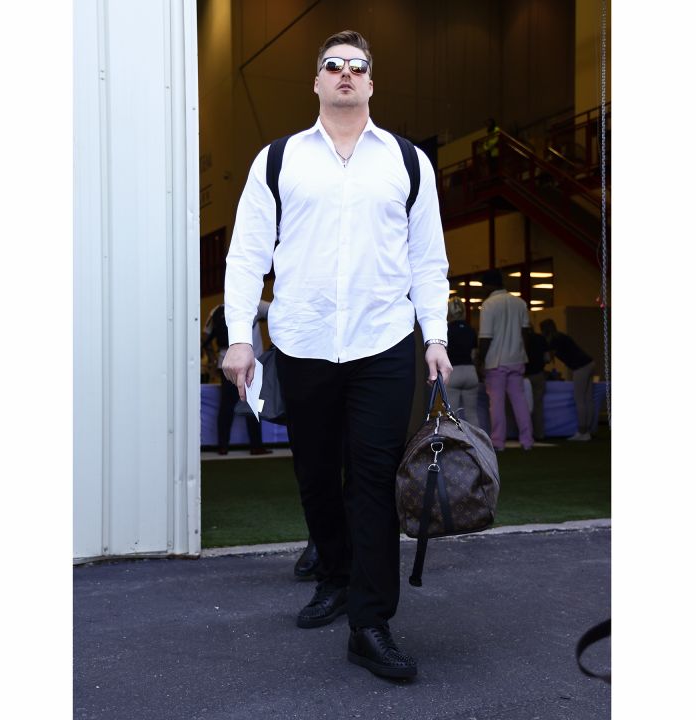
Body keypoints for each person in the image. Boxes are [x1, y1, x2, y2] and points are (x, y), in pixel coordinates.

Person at [221, 30, 450, 681]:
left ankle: (369, 622)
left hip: (383, 343)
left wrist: (434, 334)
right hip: (303, 341)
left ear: (371, 83)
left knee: (374, 479)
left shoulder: (406, 162)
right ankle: (333, 569)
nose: (346, 74)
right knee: (318, 474)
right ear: (317, 82)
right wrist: (242, 334)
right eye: (333, 66)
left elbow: (427, 259)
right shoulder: (280, 161)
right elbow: (246, 255)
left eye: (358, 67)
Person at [475, 269, 534, 451]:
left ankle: (498, 443)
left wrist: (479, 361)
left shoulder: (488, 305)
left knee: (497, 404)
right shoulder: (520, 303)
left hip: (495, 362)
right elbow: (527, 333)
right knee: (520, 402)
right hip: (517, 359)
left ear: (489, 285)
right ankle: (527, 441)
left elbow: (485, 337)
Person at [203, 302, 272, 456]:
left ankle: (223, 446)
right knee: (253, 405)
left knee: (226, 405)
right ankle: (256, 446)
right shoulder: (254, 304)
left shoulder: (217, 309)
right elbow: (277, 312)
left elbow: (206, 334)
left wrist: (213, 359)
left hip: (225, 362)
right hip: (251, 363)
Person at [540, 318, 596, 441]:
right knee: (587, 399)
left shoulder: (554, 340)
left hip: (580, 367)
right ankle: (589, 430)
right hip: (589, 363)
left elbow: (548, 359)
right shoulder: (561, 336)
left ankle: (582, 432)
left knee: (580, 399)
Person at [444, 298, 480, 426]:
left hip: (453, 372)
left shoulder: (445, 329)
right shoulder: (471, 330)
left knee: (452, 415)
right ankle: (476, 444)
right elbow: (474, 354)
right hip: (470, 372)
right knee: (472, 413)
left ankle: (454, 444)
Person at [522, 325, 549, 441]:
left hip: (524, 376)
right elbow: (547, 358)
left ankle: (525, 434)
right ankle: (539, 434)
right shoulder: (540, 338)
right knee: (538, 406)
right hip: (538, 374)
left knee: (523, 406)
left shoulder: (520, 339)